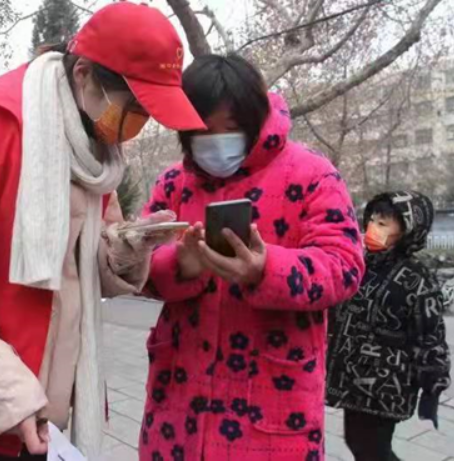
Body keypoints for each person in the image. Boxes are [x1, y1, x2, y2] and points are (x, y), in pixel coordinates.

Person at [0, 3, 206, 461]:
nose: (137, 126)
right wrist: (7, 398)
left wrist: (131, 244)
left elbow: (90, 259)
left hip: (47, 405)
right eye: (134, 107)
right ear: (84, 74)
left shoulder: (97, 155)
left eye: (148, 114)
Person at [139, 54, 365, 462]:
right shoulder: (173, 183)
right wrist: (180, 266)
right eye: (201, 130)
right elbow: (137, 264)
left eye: (230, 128)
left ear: (254, 119)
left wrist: (265, 270)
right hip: (178, 407)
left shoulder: (312, 174)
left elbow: (344, 265)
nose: (215, 140)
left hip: (271, 406)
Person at [326, 192, 452, 462]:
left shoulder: (418, 278)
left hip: (387, 384)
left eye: (383, 223)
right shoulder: (360, 263)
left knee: (371, 449)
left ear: (408, 230)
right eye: (372, 220)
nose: (373, 228)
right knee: (357, 442)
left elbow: (430, 336)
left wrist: (433, 384)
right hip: (351, 379)